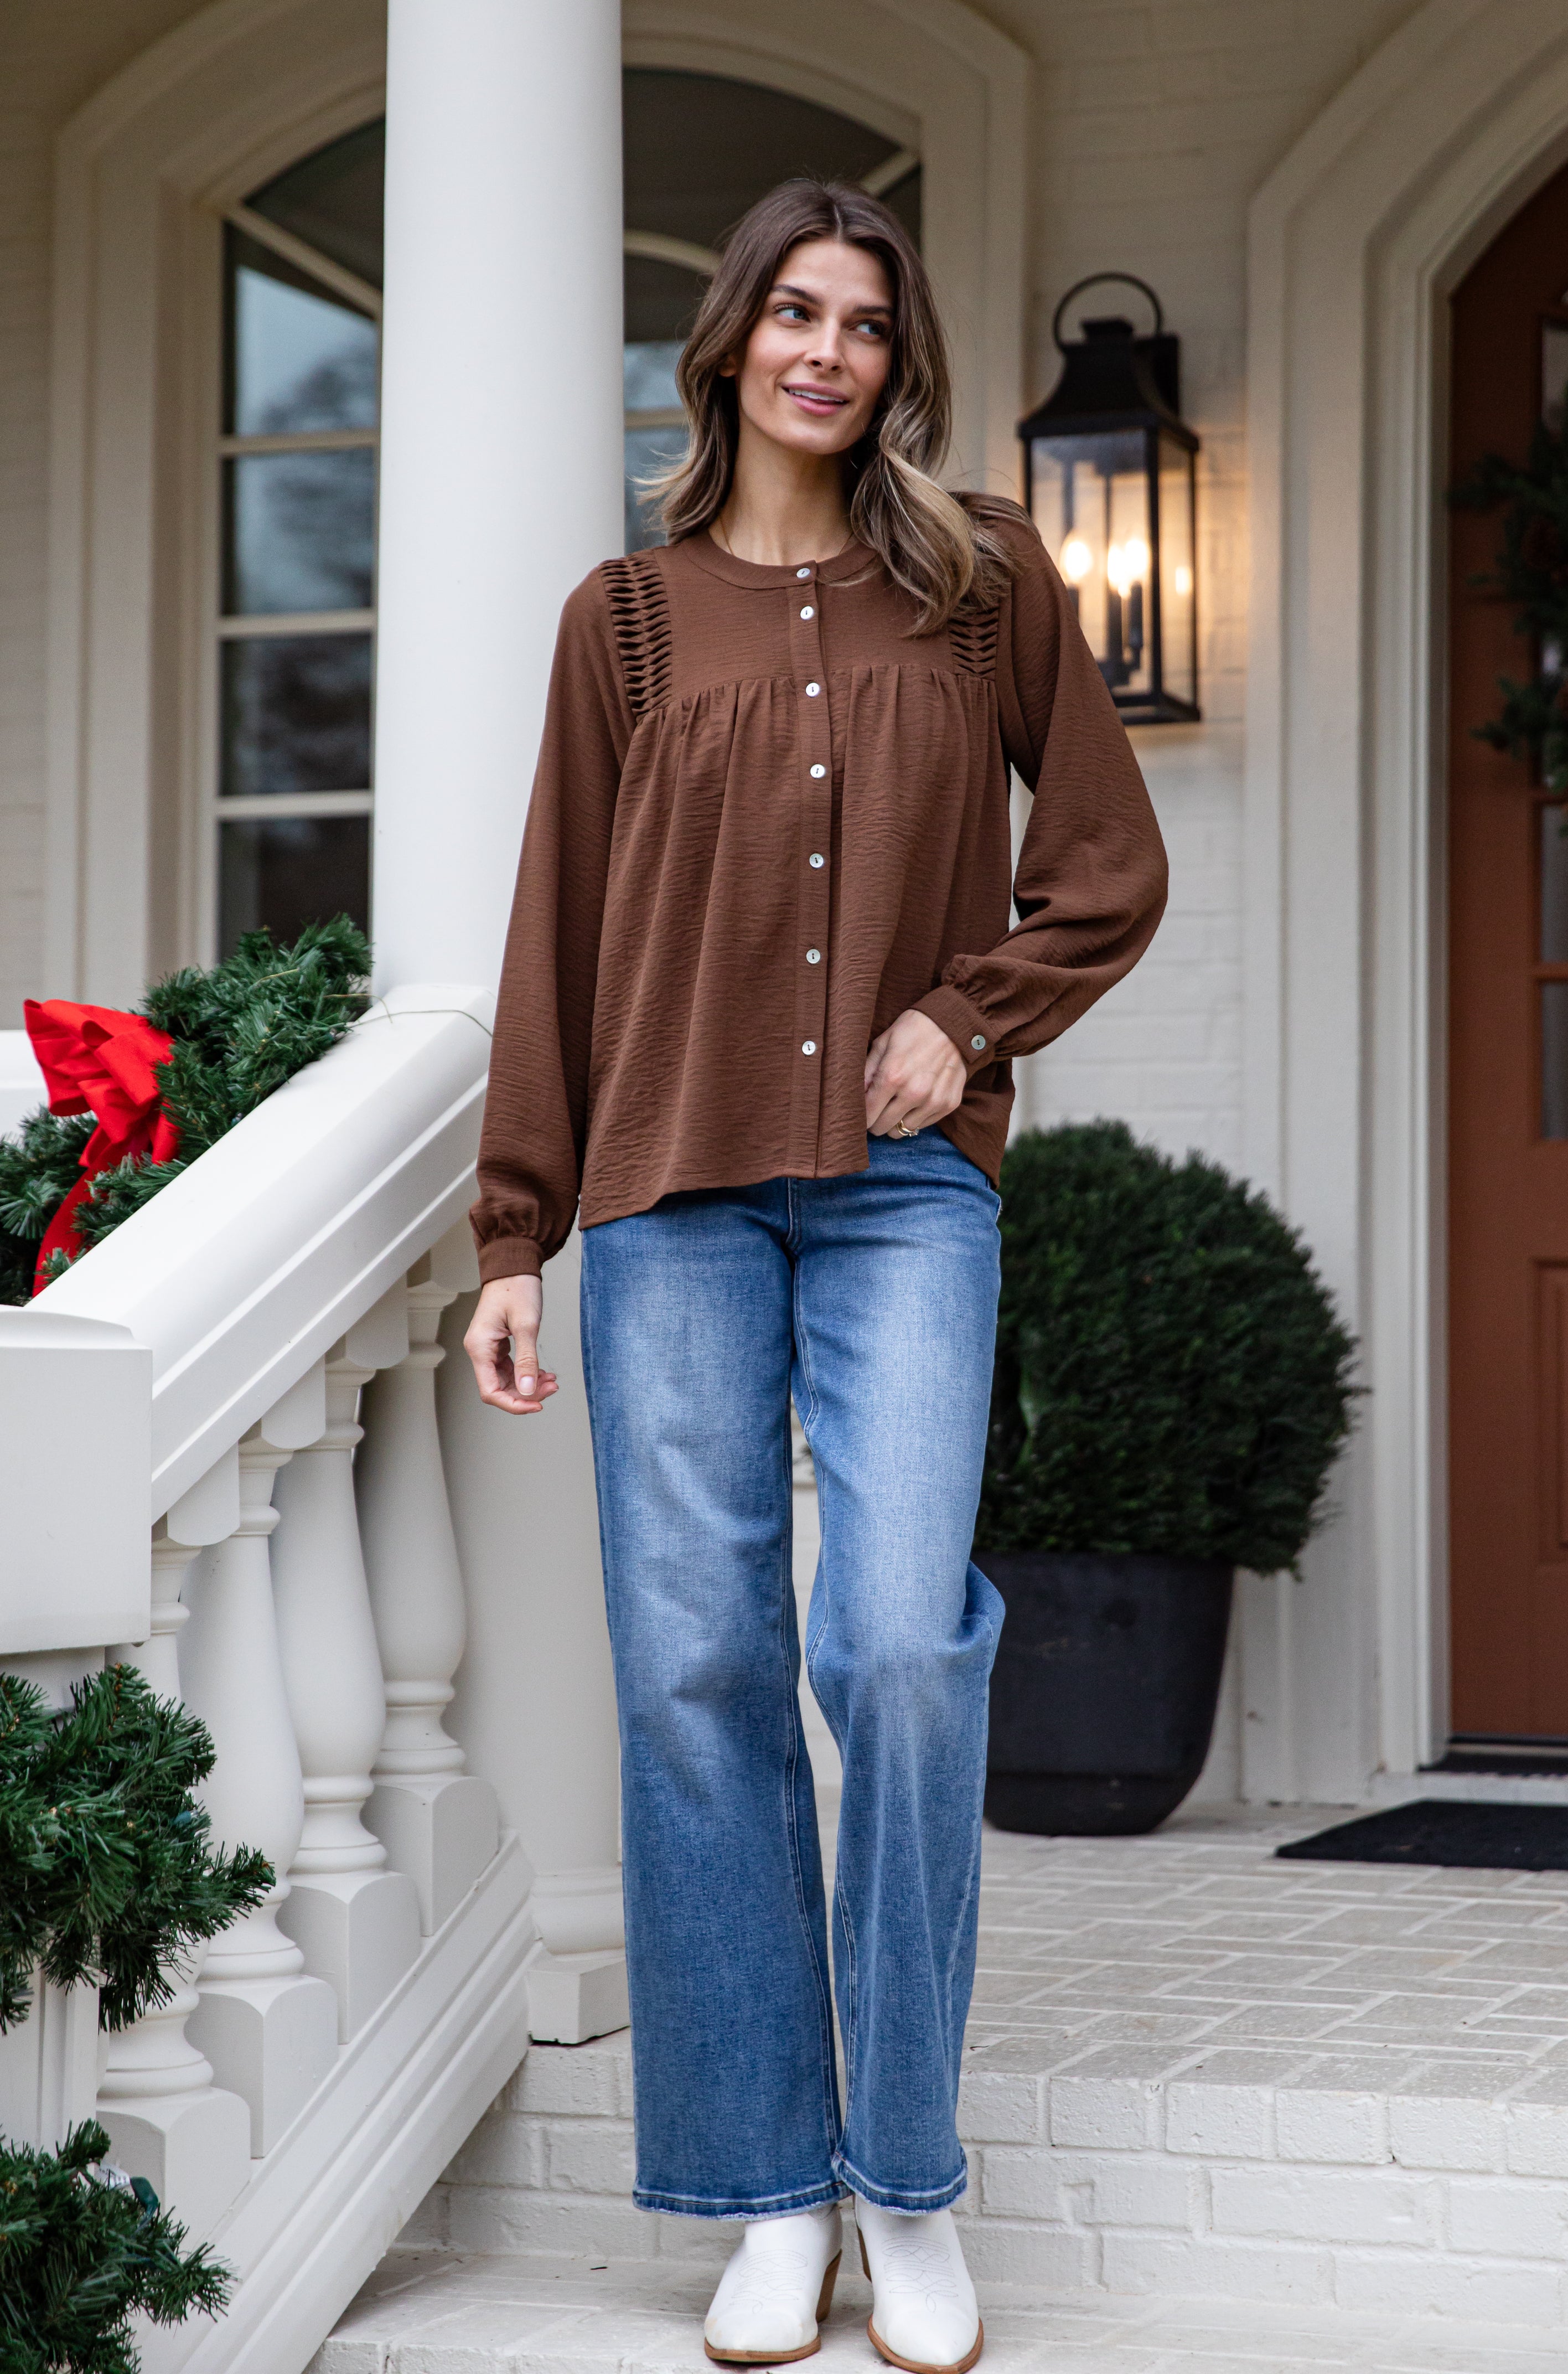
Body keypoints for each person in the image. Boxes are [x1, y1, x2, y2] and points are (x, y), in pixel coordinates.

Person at [464, 177, 1166, 2373]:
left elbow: (1107, 868)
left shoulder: (977, 586)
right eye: (794, 309)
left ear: (896, 355)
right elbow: (555, 936)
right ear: (730, 343)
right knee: (689, 1682)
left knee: (895, 1650)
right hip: (666, 1196)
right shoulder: (626, 620)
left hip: (898, 1198)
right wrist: (513, 1225)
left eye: (864, 319)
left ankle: (908, 2178)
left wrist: (970, 1016)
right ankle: (763, 2191)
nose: (827, 350)